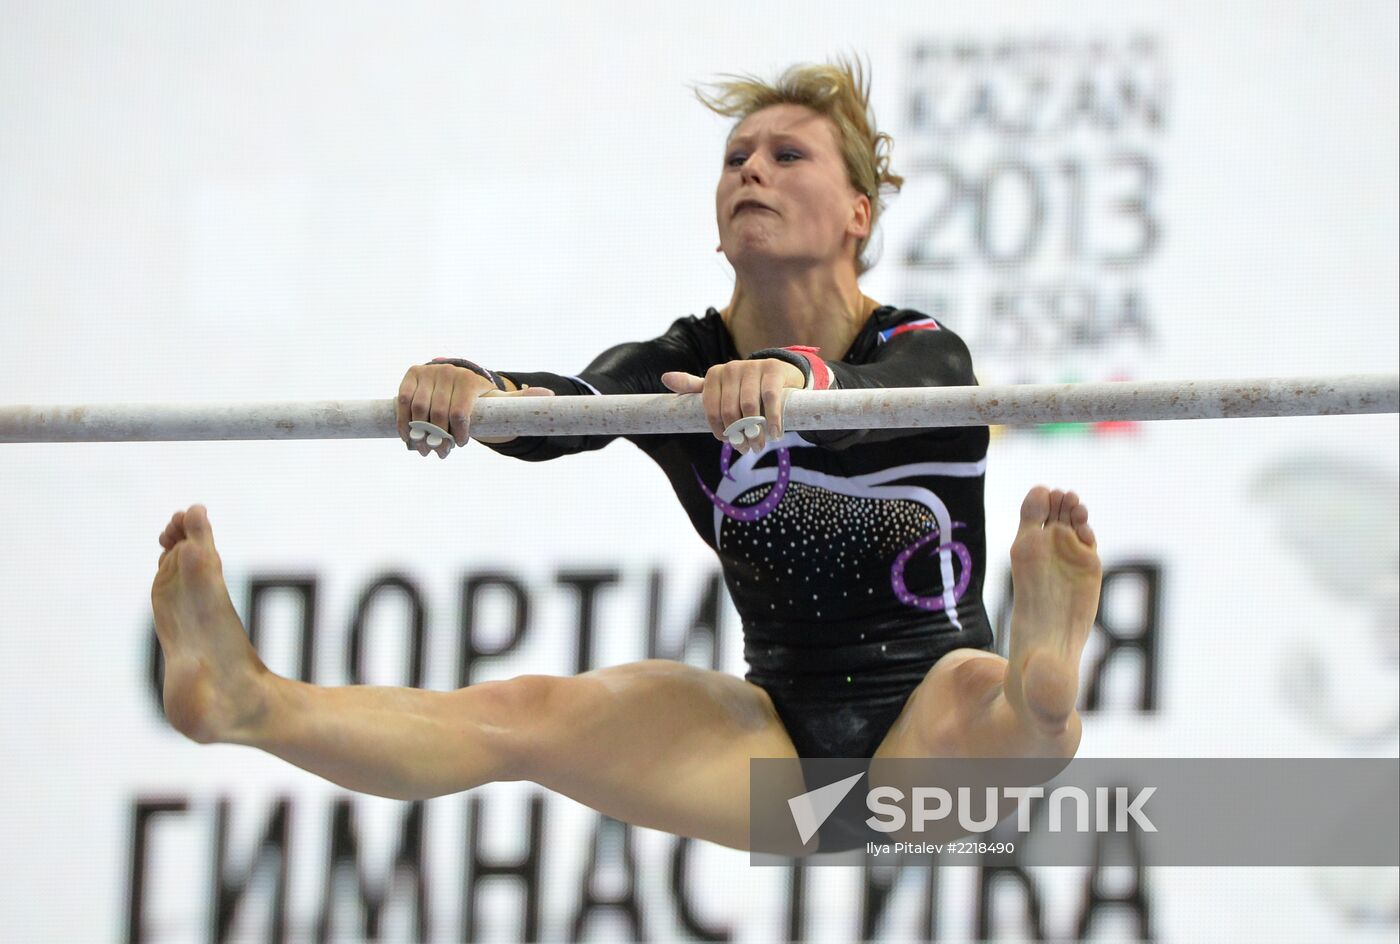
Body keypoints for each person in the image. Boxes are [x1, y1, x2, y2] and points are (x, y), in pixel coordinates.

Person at [150, 59, 1103, 855]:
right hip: (773, 754)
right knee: (523, 717)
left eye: (786, 154)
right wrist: (472, 389)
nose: (750, 173)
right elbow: (573, 406)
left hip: (926, 733)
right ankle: (248, 702)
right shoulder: (681, 364)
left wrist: (785, 379)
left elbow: (887, 400)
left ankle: (1041, 683)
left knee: (989, 707)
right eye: (735, 159)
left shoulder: (919, 347)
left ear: (859, 212)